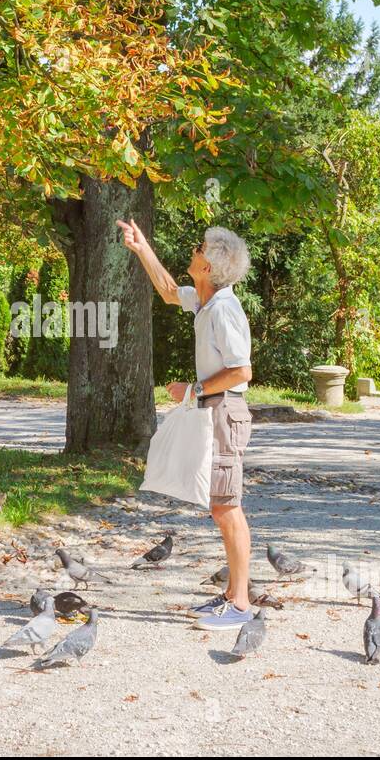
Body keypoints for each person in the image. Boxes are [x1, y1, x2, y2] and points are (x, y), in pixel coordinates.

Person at [116, 219, 256, 631]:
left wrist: (192, 389)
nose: (194, 251)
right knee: (219, 505)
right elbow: (167, 291)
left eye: (199, 248)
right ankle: (231, 594)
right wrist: (141, 248)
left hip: (224, 411)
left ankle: (241, 604)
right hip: (211, 410)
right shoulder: (207, 300)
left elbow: (242, 370)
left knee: (226, 507)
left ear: (209, 267)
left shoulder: (225, 309)